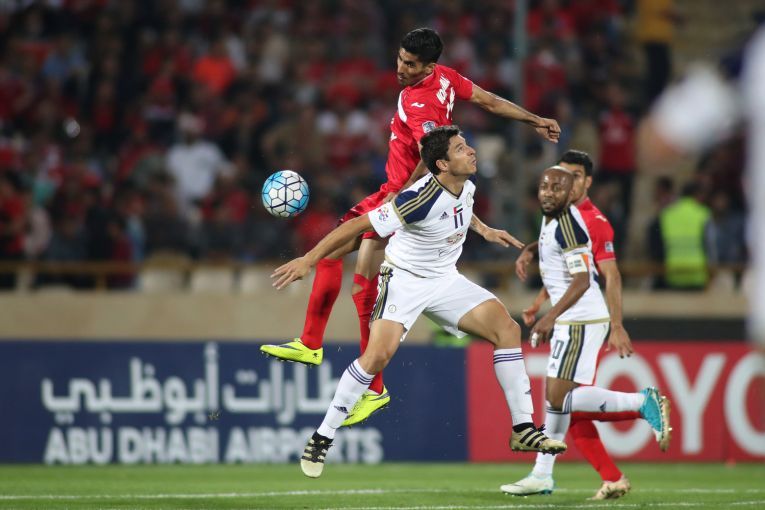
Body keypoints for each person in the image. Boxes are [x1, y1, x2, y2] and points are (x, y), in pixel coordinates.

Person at [260, 27, 561, 426]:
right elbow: (489, 101)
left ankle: (319, 349)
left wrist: (400, 199)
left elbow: (430, 158)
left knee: (332, 250)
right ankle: (363, 381)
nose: (401, 69)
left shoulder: (415, 102)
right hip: (411, 198)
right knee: (362, 281)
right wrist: (534, 119)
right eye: (400, 59)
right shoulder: (447, 78)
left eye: (411, 64)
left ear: (429, 67)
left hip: (400, 199)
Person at [272, 126, 567, 478]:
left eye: (467, 145)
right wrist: (309, 259)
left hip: (445, 280)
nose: (471, 151)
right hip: (404, 281)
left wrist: (484, 229)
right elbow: (358, 225)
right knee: (377, 357)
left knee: (507, 328)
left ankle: (523, 429)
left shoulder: (467, 184)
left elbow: (461, 206)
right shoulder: (417, 199)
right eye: (461, 149)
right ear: (442, 164)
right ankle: (322, 436)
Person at [500, 165, 671, 498]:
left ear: (570, 193)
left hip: (580, 320)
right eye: (544, 186)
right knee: (561, 405)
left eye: (557, 188)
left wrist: (550, 317)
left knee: (558, 400)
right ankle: (556, 475)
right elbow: (557, 257)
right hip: (574, 319)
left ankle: (642, 402)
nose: (548, 193)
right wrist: (532, 250)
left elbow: (581, 281)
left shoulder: (568, 225)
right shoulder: (552, 220)